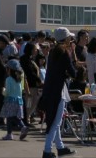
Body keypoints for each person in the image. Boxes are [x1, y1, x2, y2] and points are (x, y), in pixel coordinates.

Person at [40, 27, 77, 158]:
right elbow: (73, 72)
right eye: (69, 37)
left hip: (51, 89)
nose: (71, 39)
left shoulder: (53, 52)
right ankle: (47, 150)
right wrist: (73, 55)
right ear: (66, 39)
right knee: (55, 122)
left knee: (55, 120)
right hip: (58, 91)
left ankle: (60, 147)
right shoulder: (64, 52)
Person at [0, 59, 28, 141]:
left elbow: (7, 92)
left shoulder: (8, 79)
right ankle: (9, 134)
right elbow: (20, 91)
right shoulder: (18, 80)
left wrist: (3, 91)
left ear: (10, 70)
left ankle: (22, 127)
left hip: (10, 100)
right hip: (18, 101)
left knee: (11, 117)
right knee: (13, 117)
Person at [20, 42, 42, 124]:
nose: (36, 51)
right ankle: (26, 119)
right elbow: (29, 72)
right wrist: (39, 80)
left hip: (34, 85)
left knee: (33, 103)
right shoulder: (24, 59)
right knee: (28, 103)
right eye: (35, 49)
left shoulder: (30, 59)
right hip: (29, 85)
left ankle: (27, 117)